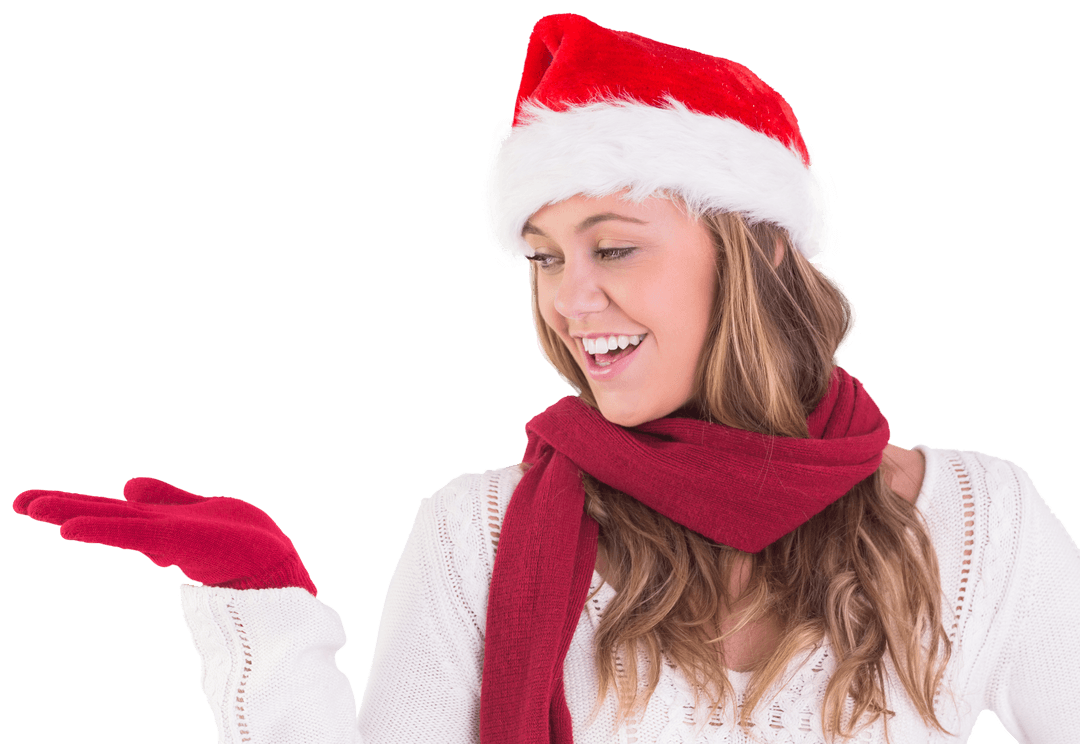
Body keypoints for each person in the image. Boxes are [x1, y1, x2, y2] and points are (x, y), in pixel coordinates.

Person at [12, 12, 1080, 744]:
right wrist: (264, 613)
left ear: (751, 255)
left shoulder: (976, 525)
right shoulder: (478, 529)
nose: (569, 301)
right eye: (544, 258)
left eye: (613, 248)